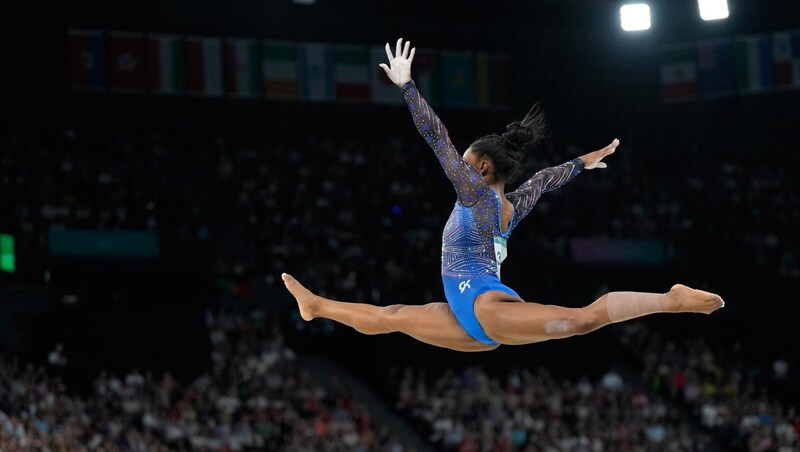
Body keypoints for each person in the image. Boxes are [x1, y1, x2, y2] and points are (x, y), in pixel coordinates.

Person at [282, 38, 724, 352]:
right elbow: (545, 180)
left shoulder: (473, 193)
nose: (461, 163)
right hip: (470, 319)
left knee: (579, 320)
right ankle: (315, 306)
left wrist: (408, 87)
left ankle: (671, 299)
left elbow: (437, 138)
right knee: (390, 317)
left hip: (482, 305)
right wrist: (581, 163)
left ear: (480, 167)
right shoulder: (510, 206)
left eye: (467, 159)